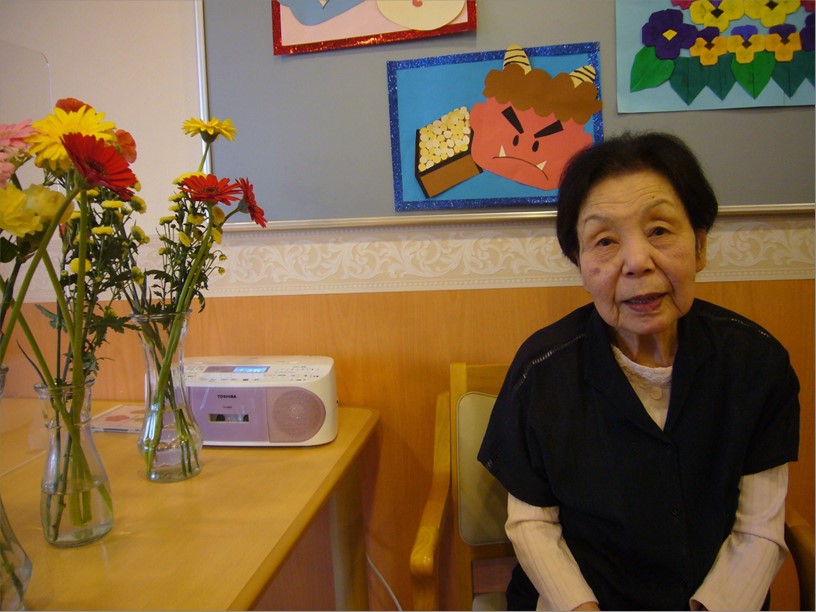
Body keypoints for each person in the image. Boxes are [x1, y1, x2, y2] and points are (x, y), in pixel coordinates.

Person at [477, 132, 800, 611]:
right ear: (580, 263)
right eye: (605, 241)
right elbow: (532, 524)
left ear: (700, 245)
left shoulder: (756, 363)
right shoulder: (541, 371)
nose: (636, 262)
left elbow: (757, 529)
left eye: (660, 231)